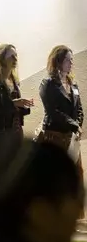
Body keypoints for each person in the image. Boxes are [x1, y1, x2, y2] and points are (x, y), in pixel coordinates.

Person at [37, 45, 84, 221]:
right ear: (58, 61)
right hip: (55, 136)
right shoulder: (48, 83)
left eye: (72, 59)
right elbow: (52, 111)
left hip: (72, 136)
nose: (71, 62)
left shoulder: (74, 84)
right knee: (57, 178)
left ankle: (77, 217)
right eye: (68, 59)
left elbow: (79, 109)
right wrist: (73, 125)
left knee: (77, 174)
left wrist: (77, 125)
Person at [0, 44, 33, 139]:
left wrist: (24, 106)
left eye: (16, 56)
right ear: (2, 60)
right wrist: (14, 103)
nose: (15, 59)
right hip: (1, 135)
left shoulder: (14, 80)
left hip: (16, 132)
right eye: (11, 56)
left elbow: (14, 109)